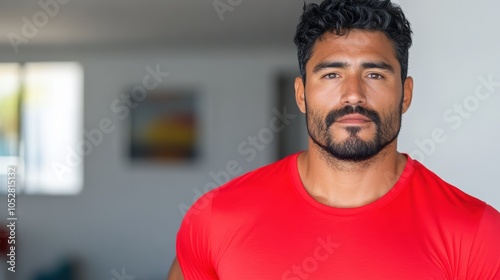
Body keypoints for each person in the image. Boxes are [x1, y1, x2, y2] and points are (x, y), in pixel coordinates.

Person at [168, 0, 500, 279]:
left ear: (405, 94)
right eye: (331, 74)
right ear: (301, 95)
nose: (353, 95)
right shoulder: (215, 218)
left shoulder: (478, 234)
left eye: (374, 74)